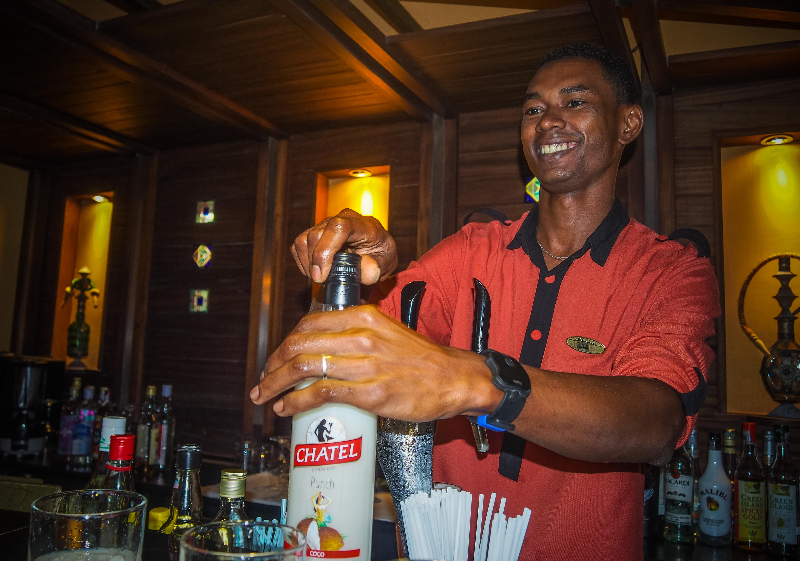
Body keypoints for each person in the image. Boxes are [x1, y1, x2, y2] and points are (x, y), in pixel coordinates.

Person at [250, 43, 720, 560]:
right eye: (533, 109)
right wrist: (358, 269)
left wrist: (478, 381)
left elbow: (656, 424)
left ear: (628, 123)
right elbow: (363, 342)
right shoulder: (471, 251)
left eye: (575, 102)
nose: (548, 121)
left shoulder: (671, 269)